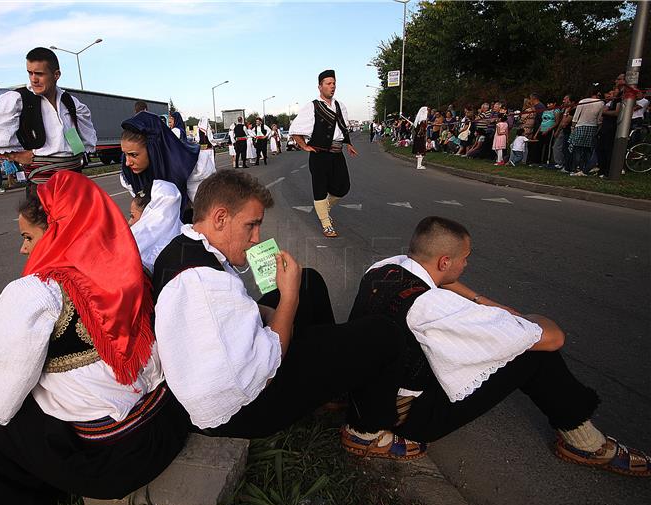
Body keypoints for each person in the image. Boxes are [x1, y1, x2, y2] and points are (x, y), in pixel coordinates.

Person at [0, 171, 192, 505]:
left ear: (57, 230)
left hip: (110, 461)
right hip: (162, 429)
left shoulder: (39, 292)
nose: (23, 248)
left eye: (28, 237)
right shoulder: (132, 267)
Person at [347, 216, 651, 475]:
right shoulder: (433, 308)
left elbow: (441, 279)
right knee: (533, 354)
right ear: (445, 261)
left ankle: (583, 440)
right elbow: (554, 337)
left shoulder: (386, 267)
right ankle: (586, 444)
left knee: (517, 342)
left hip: (367, 395)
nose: (466, 264)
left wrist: (486, 302)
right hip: (405, 419)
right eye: (465, 257)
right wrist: (526, 319)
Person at [152, 170, 411, 456]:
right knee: (384, 334)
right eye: (251, 225)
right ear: (220, 217)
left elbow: (228, 317)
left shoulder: (185, 247)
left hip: (216, 377)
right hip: (243, 409)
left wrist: (279, 305)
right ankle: (366, 433)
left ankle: (328, 390)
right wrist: (287, 297)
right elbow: (267, 368)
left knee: (308, 282)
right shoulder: (206, 284)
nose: (256, 237)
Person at [0, 47, 96, 193]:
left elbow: (83, 140)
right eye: (30, 73)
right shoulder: (18, 99)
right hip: (42, 185)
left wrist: (77, 153)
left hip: (74, 182)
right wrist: (14, 155)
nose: (33, 79)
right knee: (35, 216)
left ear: (56, 75)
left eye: (39, 74)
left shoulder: (70, 102)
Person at [289, 70, 358, 238]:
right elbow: (294, 130)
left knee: (343, 187)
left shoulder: (340, 105)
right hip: (319, 155)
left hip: (337, 153)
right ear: (320, 87)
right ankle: (326, 224)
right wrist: (304, 146)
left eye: (334, 83)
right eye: (328, 83)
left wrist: (348, 143)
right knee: (320, 189)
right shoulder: (312, 106)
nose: (332, 86)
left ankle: (324, 210)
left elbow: (342, 126)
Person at [119, 110, 208, 221]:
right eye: (125, 154)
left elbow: (206, 213)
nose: (128, 162)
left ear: (153, 150)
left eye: (133, 155)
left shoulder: (186, 166)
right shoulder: (128, 173)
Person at [128, 180, 183, 272]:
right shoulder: (190, 239)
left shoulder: (136, 252)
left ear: (150, 217)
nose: (129, 222)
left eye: (132, 216)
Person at [567, 88, 604, 176]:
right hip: (593, 127)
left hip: (580, 125)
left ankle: (574, 168)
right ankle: (586, 168)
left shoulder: (583, 101)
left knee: (577, 149)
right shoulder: (601, 103)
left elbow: (576, 116)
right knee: (588, 149)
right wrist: (598, 127)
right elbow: (599, 118)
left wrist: (573, 127)